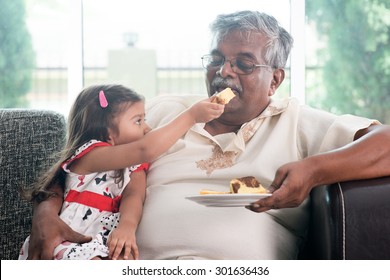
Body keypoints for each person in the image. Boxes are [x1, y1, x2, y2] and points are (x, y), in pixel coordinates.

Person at [27, 11, 390, 260]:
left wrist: (314, 170)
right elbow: (83, 158)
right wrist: (45, 211)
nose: (224, 72)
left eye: (243, 64)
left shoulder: (299, 122)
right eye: (216, 59)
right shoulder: (163, 113)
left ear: (275, 80)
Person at [18, 84, 224, 260]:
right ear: (109, 133)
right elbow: (146, 148)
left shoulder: (135, 167)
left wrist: (127, 226)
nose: (147, 128)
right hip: (68, 241)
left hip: (102, 244)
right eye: (138, 121)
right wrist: (191, 116)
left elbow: (134, 196)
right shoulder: (91, 156)